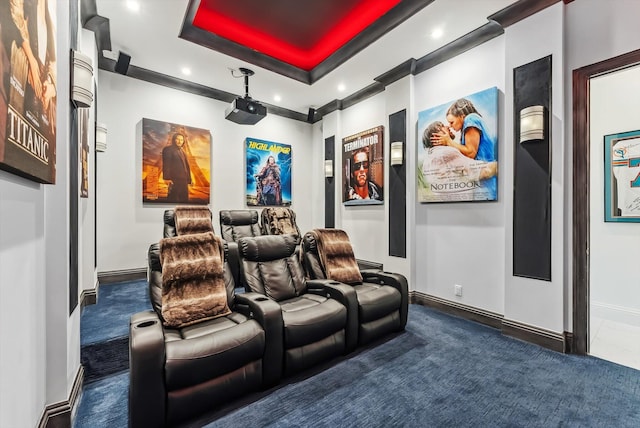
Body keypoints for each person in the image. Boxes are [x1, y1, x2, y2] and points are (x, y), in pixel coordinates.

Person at [429, 98, 497, 197]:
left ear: (462, 116)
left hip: (485, 181)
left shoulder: (471, 119)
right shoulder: (469, 124)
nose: (450, 126)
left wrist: (448, 141)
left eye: (452, 122)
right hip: (481, 179)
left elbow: (470, 153)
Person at [162, 132, 191, 202]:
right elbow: (166, 164)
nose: (179, 141)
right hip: (174, 180)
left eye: (181, 140)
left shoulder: (183, 151)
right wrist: (167, 178)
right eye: (177, 139)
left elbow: (186, 166)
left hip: (184, 181)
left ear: (184, 141)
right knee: (173, 199)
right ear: (173, 139)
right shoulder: (168, 149)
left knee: (184, 200)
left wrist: (189, 179)